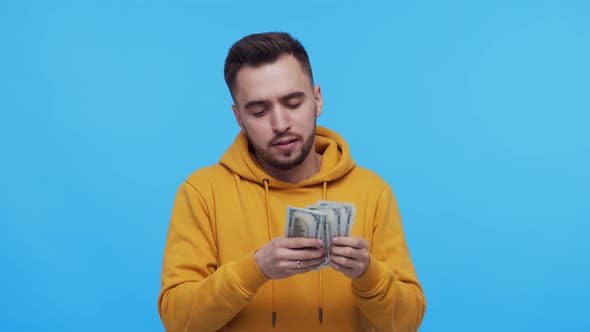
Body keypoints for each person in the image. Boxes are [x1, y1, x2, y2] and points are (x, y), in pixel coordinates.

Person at [157, 32, 426, 332]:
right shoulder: (201, 193)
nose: (280, 124)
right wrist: (255, 269)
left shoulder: (373, 192)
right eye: (259, 111)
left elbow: (407, 323)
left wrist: (368, 274)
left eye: (293, 103)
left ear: (317, 100)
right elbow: (178, 322)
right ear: (239, 118)